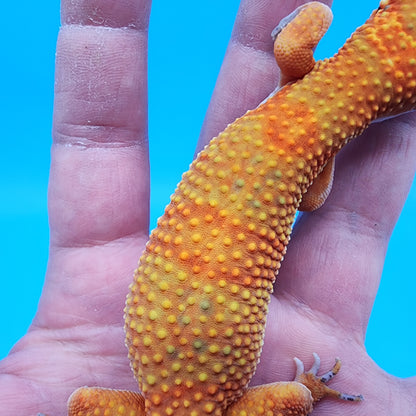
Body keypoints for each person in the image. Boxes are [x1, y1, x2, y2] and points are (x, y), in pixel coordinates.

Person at [1, 0, 415, 415]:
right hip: (173, 373)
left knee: (298, 397)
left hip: (189, 324)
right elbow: (312, 198)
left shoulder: (299, 69)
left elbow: (307, 30)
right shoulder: (314, 106)